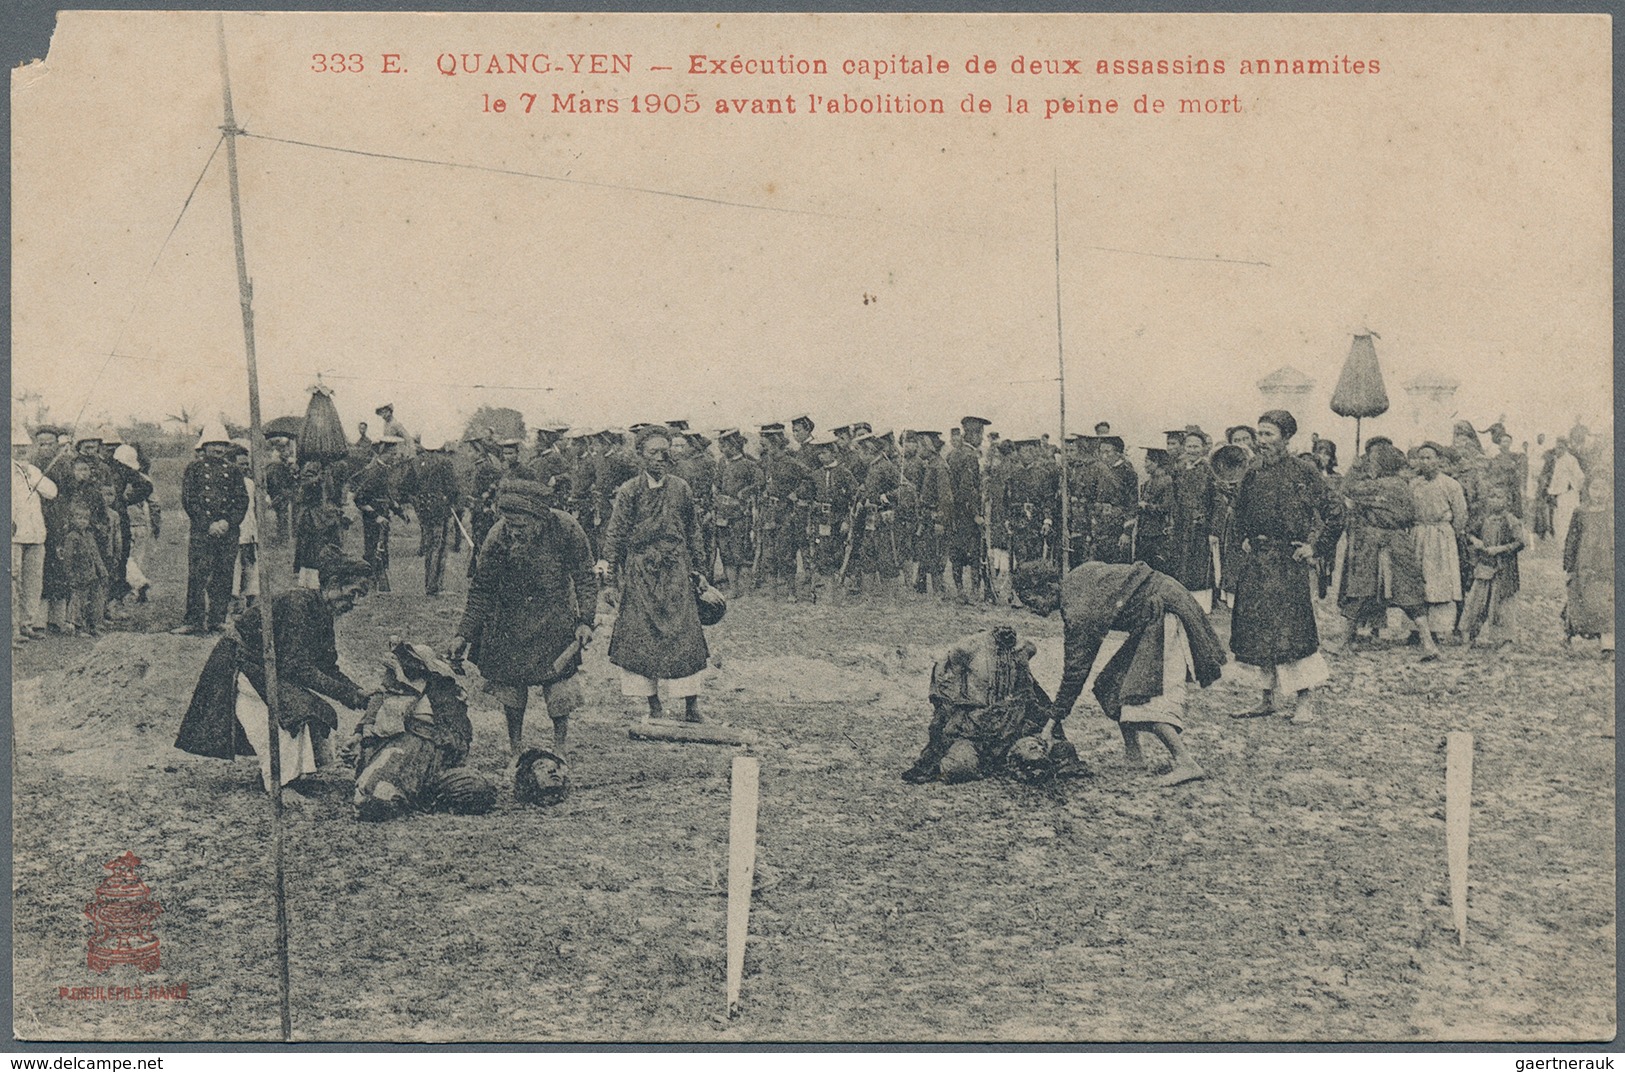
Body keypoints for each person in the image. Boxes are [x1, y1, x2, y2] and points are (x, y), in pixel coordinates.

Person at [1012, 559, 1227, 787]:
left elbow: (1075, 673)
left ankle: (1186, 762)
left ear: (1048, 588)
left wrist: (1049, 725)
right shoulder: (1077, 577)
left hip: (1166, 612)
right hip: (1154, 613)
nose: (1031, 609)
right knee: (1111, 685)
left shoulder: (1079, 609)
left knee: (1144, 694)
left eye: (1030, 600)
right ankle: (1134, 756)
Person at [175, 553, 377, 795]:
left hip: (264, 665)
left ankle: (298, 774)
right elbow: (297, 668)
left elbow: (326, 665)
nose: (354, 602)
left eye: (360, 596)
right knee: (292, 712)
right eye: (353, 592)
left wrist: (357, 691)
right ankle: (281, 782)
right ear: (333, 584)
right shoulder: (298, 603)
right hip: (240, 662)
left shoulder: (322, 612)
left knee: (309, 707)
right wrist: (350, 695)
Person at [453, 478, 597, 756]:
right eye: (509, 525)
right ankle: (516, 749)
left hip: (555, 616)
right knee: (511, 687)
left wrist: (585, 620)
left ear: (539, 520)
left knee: (559, 686)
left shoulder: (566, 528)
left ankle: (560, 749)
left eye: (520, 527)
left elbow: (585, 577)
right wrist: (463, 633)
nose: (514, 532)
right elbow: (482, 588)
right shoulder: (497, 537)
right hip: (510, 619)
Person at [1227, 410, 1343, 724]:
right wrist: (1245, 538)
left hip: (1287, 563)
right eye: (1259, 434)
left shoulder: (1303, 471)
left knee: (1293, 632)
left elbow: (1335, 511)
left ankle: (1305, 700)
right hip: (1258, 562)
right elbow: (1238, 511)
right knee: (1257, 631)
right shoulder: (1252, 472)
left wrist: (1314, 547)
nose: (1261, 441)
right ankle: (1267, 699)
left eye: (1268, 435)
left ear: (1286, 438)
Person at [598, 425, 712, 721]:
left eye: (665, 452)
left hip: (676, 572)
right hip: (641, 574)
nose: (661, 458)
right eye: (653, 453)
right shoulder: (629, 491)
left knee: (686, 639)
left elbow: (693, 531)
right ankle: (653, 705)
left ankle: (691, 706)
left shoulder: (681, 488)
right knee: (641, 639)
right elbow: (615, 537)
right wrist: (609, 581)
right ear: (640, 455)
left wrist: (699, 570)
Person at [900, 624, 1057, 784]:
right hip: (974, 728)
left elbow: (1029, 692)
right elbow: (941, 679)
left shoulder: (1025, 648)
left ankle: (1003, 761)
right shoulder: (968, 648)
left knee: (1037, 757)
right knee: (959, 767)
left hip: (1011, 726)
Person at [1333, 441, 1438, 660]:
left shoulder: (1376, 486)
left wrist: (1355, 467)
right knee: (1409, 593)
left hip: (1374, 542)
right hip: (1400, 540)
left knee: (1360, 590)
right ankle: (1428, 644)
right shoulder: (1403, 486)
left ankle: (1343, 643)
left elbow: (1345, 489)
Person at [175, 423, 249, 635]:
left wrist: (228, 522)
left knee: (223, 574)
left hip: (228, 532)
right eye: (214, 444)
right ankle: (194, 620)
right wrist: (208, 524)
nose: (218, 449)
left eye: (222, 445)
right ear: (205, 446)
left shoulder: (234, 471)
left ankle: (218, 618)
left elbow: (241, 500)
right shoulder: (194, 469)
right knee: (198, 574)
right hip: (202, 530)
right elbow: (189, 500)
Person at [1409, 442, 1469, 643]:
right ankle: (1417, 630)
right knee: (1418, 581)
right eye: (1421, 458)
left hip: (1441, 536)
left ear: (1438, 460)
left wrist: (1450, 533)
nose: (1425, 462)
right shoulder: (1413, 484)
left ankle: (1440, 629)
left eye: (1429, 458)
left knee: (1439, 582)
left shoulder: (1450, 485)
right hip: (1419, 533)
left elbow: (1461, 514)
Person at [1562, 452, 1614, 656]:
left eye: (1603, 488)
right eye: (1595, 488)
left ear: (1610, 490)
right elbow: (1571, 540)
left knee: (1607, 603)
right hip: (1585, 565)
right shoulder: (1580, 512)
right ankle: (1568, 631)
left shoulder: (1614, 511)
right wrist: (1568, 565)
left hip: (1608, 565)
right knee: (1581, 600)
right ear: (1588, 489)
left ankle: (1608, 645)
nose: (1599, 493)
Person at [1460, 484, 1524, 648]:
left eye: (1499, 497)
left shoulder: (1512, 521)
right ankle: (1469, 636)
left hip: (1504, 570)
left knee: (1502, 605)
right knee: (1477, 602)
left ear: (1507, 501)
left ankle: (1506, 640)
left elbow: (1519, 543)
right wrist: (1475, 541)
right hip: (1484, 568)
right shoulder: (1484, 519)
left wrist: (1499, 549)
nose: (1494, 500)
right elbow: (1468, 533)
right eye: (1492, 496)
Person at [12, 426, 57, 644]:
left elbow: (51, 492)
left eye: (24, 447)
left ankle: (26, 624)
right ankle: (11, 628)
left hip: (36, 535)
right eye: (16, 447)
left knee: (33, 582)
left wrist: (31, 474)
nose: (21, 451)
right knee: (13, 582)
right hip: (15, 535)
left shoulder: (34, 471)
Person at [1168, 427, 1220, 611]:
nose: (1192, 450)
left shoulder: (1209, 469)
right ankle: (1184, 602)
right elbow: (1174, 496)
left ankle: (1203, 604)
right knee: (1182, 561)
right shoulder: (1180, 468)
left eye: (1196, 446)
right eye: (1189, 446)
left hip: (1200, 525)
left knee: (1199, 563)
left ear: (1203, 448)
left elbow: (1216, 501)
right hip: (1182, 523)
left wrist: (1214, 530)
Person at [945, 416, 990, 602]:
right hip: (968, 514)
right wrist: (976, 514)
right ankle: (974, 592)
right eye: (980, 434)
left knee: (957, 553)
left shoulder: (953, 454)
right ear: (973, 434)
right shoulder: (970, 456)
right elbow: (967, 488)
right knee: (974, 553)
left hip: (955, 512)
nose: (981, 438)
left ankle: (960, 590)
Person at [712, 428, 762, 592]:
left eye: (724, 446)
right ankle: (732, 587)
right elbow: (716, 485)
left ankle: (744, 587)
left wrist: (746, 492)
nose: (721, 449)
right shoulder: (721, 463)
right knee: (725, 551)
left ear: (733, 446)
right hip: (722, 514)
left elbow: (760, 484)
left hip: (740, 515)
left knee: (740, 550)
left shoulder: (749, 464)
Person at [413, 440, 461, 596]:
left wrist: (419, 500)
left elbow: (406, 486)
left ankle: (429, 583)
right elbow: (453, 489)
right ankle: (435, 585)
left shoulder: (417, 461)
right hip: (440, 511)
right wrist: (449, 501)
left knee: (429, 546)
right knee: (438, 547)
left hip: (424, 511)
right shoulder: (444, 462)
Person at [1548, 436, 1585, 547]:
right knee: (1560, 519)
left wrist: (1572, 486)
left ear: (1565, 447)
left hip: (1569, 495)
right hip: (1560, 495)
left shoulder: (1571, 459)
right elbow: (1555, 479)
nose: (1558, 450)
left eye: (1561, 447)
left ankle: (1569, 544)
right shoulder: (1558, 460)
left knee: (1569, 518)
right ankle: (1562, 544)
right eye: (1557, 447)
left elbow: (1580, 476)